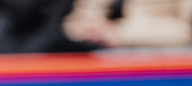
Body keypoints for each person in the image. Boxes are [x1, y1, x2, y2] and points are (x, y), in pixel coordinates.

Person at [62, 0, 192, 50]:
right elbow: (74, 22)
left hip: (160, 61)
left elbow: (186, 30)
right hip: (100, 57)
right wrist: (89, 29)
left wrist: (119, 32)